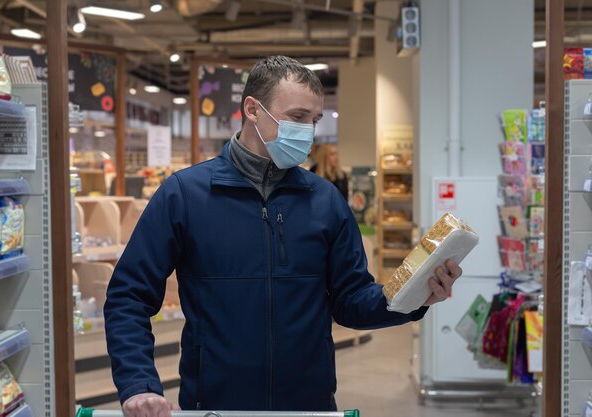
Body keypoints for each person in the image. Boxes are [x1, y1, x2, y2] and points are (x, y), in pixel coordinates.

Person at [104, 56, 463, 417]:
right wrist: (138, 383)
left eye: (315, 120)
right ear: (252, 110)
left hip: (309, 405)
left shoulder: (324, 201)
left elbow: (350, 299)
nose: (309, 131)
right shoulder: (185, 195)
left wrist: (414, 295)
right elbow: (128, 296)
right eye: (297, 117)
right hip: (214, 406)